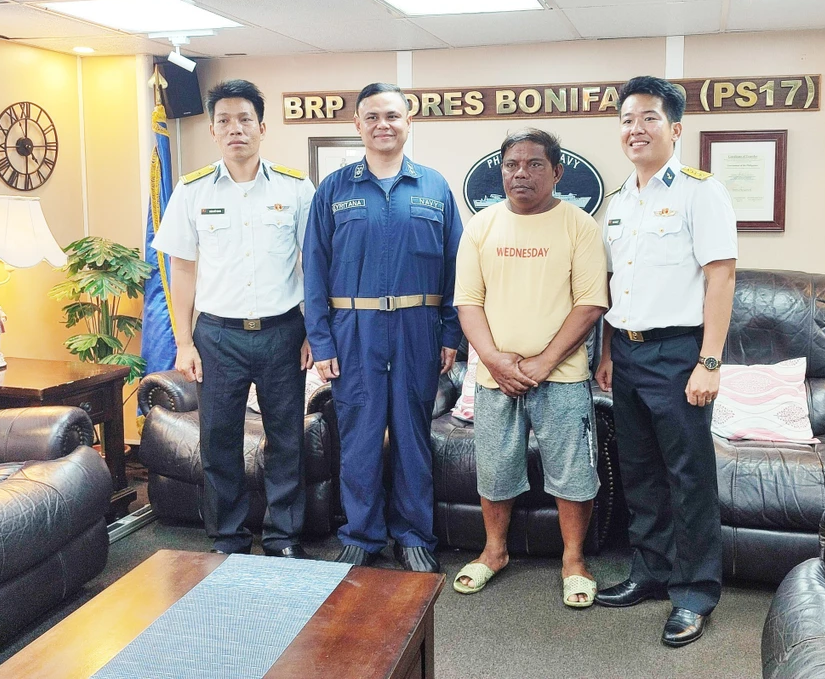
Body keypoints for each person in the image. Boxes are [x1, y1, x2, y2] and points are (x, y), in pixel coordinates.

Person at [594, 76, 737, 646]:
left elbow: (721, 277)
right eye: (628, 118)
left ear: (675, 129)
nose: (636, 128)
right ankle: (651, 572)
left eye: (649, 118)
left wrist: (710, 360)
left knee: (689, 476)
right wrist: (607, 353)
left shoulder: (701, 192)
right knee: (640, 473)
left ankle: (695, 593)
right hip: (625, 352)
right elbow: (615, 286)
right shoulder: (619, 201)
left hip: (679, 353)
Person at [303, 82, 463, 572]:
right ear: (358, 125)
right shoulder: (334, 188)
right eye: (372, 117)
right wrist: (320, 338)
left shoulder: (435, 187)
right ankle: (361, 535)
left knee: (413, 436)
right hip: (355, 330)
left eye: (392, 115)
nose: (383, 125)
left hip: (418, 328)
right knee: (360, 436)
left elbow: (457, 268)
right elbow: (314, 267)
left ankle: (414, 536)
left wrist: (451, 335)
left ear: (408, 121)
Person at [153, 79, 315, 558]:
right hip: (217, 336)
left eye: (245, 119)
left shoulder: (295, 187)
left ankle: (284, 538)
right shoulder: (192, 190)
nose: (235, 128)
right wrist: (184, 342)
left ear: (262, 127)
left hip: (284, 332)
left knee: (286, 440)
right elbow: (181, 269)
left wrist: (314, 333)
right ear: (212, 130)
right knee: (218, 441)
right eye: (224, 120)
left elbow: (314, 264)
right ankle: (228, 538)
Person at [452, 129, 608, 607]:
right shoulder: (480, 227)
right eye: (511, 165)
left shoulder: (579, 226)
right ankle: (494, 551)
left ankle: (573, 561)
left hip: (561, 376)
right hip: (495, 377)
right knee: (496, 471)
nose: (521, 173)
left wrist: (541, 362)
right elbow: (468, 303)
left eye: (534, 164)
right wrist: (496, 361)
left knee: (573, 473)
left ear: (557, 172)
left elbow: (590, 304)